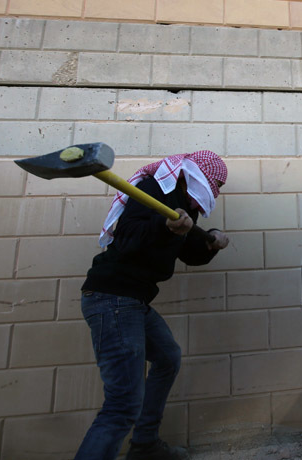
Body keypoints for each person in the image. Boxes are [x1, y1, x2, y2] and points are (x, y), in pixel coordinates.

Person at [75, 151, 230, 460]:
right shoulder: (154, 189)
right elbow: (129, 237)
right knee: (122, 405)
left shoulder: (185, 207)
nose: (216, 191)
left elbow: (188, 253)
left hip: (135, 301)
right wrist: (164, 226)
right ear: (194, 174)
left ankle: (144, 445)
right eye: (216, 184)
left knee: (167, 357)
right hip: (114, 298)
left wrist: (210, 243)